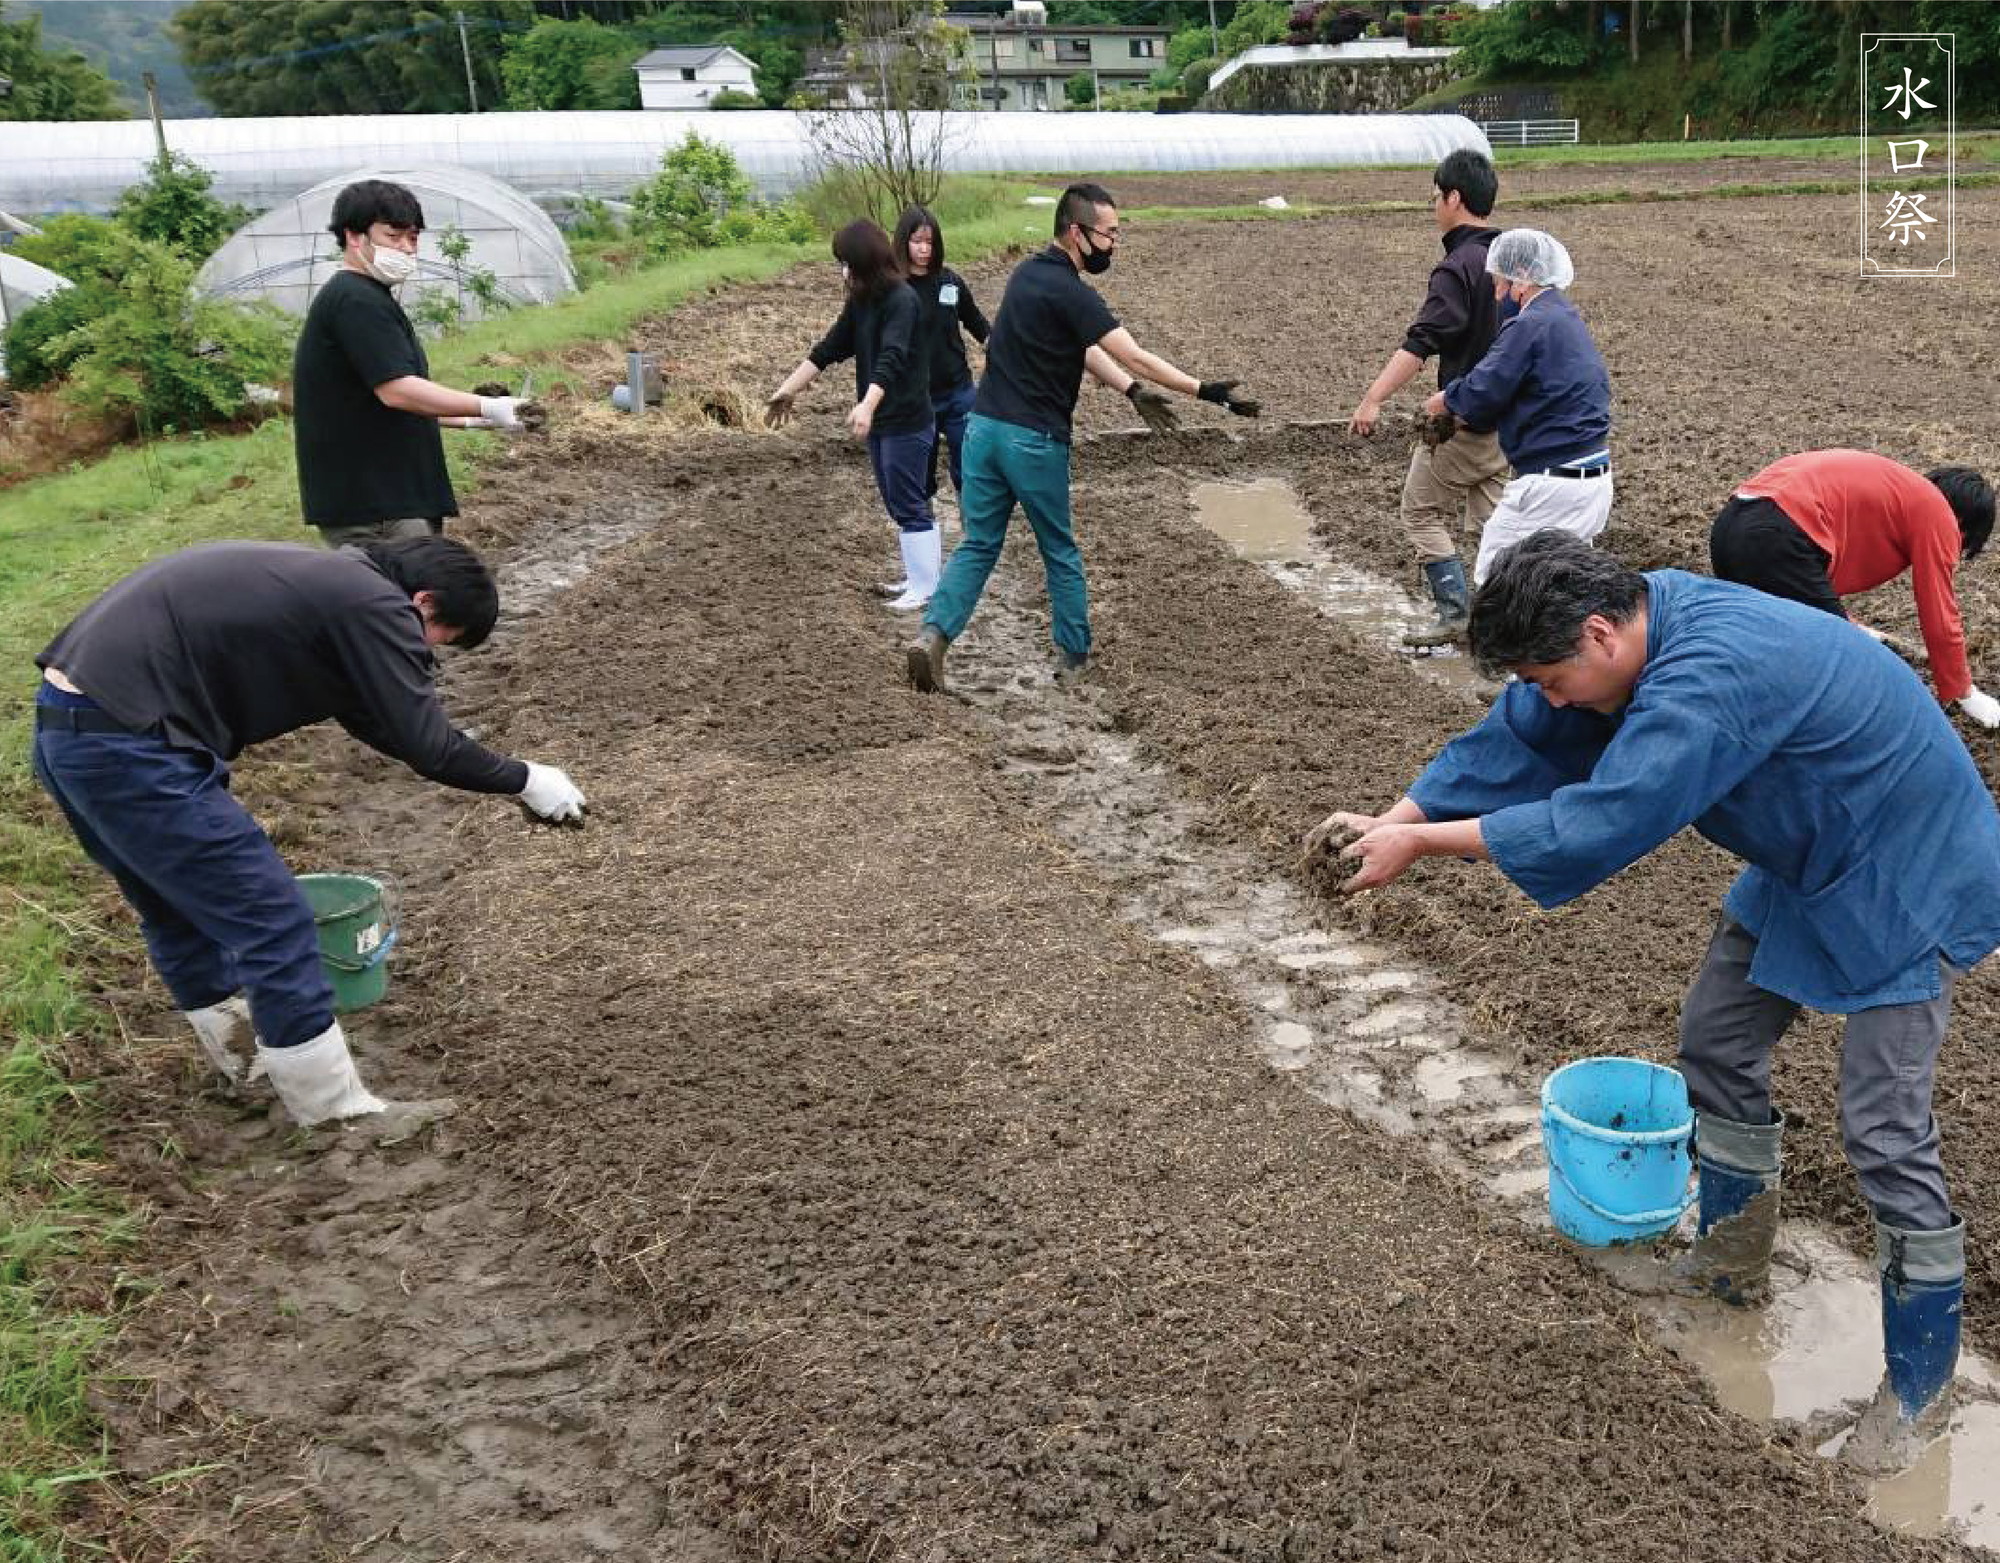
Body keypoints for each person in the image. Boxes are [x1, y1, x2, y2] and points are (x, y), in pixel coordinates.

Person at [1304, 530, 2000, 1472]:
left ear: (1598, 633)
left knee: (1883, 1125)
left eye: (1552, 674)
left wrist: (1425, 850)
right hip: (1803, 847)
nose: (1550, 694)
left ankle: (1920, 1393)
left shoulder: (1708, 677)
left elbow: (1612, 814)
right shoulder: (1636, 622)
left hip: (1906, 867)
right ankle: (1729, 1265)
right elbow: (1527, 729)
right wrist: (1401, 816)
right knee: (1714, 1038)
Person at [33, 536, 588, 1128]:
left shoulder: (330, 585)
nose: (423, 653)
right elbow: (429, 747)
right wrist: (524, 779)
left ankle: (247, 1064)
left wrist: (490, 770)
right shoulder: (375, 603)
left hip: (72, 734)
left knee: (176, 911)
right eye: (438, 641)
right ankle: (337, 1116)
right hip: (134, 750)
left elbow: (381, 721)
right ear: (424, 602)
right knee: (274, 920)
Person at [905, 182, 1258, 694]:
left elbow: (1084, 349)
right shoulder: (1073, 292)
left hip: (982, 432)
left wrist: (1130, 390)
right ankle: (1073, 657)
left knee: (979, 543)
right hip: (1033, 441)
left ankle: (932, 636)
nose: (1114, 243)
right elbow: (1132, 352)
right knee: (1060, 551)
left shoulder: (1025, 275)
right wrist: (1206, 392)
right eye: (1110, 233)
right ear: (1078, 233)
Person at [293, 179, 536, 550]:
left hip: (388, 498)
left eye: (413, 238)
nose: (406, 249)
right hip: (377, 507)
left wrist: (475, 420)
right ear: (354, 237)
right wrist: (487, 404)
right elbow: (397, 391)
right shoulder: (356, 301)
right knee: (406, 602)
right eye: (394, 237)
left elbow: (378, 400)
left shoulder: (366, 297)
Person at [1708, 449, 1998, 729]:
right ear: (1963, 524)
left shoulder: (1897, 490)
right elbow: (1939, 611)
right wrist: (1963, 691)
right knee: (1838, 659)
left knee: (1761, 646)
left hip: (1731, 525)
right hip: (1775, 536)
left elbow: (1807, 581)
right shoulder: (1938, 513)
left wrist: (1849, 623)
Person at [1349, 149, 1510, 648]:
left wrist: (1372, 397)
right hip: (1509, 419)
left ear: (1454, 198)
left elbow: (1422, 343)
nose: (1433, 205)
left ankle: (1454, 612)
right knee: (1494, 528)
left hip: (1462, 420)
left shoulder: (1457, 267)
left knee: (1418, 510)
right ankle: (1506, 620)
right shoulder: (1511, 258)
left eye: (1435, 195)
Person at [1421, 229, 1613, 589]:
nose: (1496, 296)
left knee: (1499, 580)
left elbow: (1485, 387)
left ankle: (1502, 647)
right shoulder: (1565, 317)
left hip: (1551, 484)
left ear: (1522, 276)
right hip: (1594, 481)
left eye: (1498, 284)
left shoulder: (1529, 324)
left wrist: (1444, 401)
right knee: (1563, 587)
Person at [765, 220, 940, 612]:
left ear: (864, 261)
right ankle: (919, 579)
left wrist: (867, 404)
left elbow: (892, 357)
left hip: (906, 420)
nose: (843, 271)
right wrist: (788, 388)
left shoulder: (902, 300)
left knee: (909, 503)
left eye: (846, 262)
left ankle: (926, 587)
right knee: (899, 503)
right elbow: (829, 347)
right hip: (882, 420)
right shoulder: (863, 300)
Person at [892, 204, 990, 508]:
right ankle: (926, 537)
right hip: (918, 401)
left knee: (971, 469)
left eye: (930, 243)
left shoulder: (950, 282)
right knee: (921, 476)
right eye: (917, 242)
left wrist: (998, 346)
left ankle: (971, 537)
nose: (924, 249)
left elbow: (976, 322)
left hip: (959, 391)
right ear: (903, 243)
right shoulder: (894, 289)